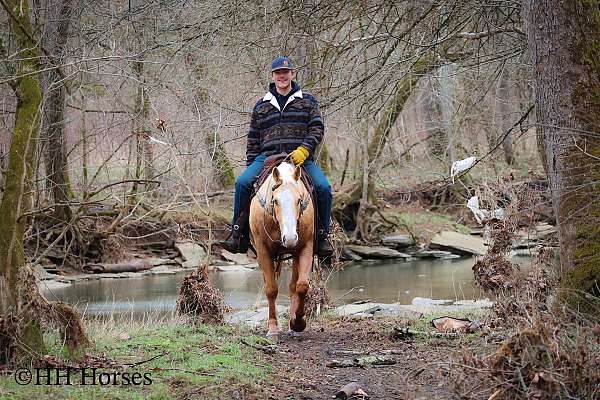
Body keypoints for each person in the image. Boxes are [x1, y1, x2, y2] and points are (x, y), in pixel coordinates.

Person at [221, 56, 333, 257]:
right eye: (278, 73)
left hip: (300, 159)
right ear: (272, 76)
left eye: (285, 72)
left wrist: (304, 150)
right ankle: (238, 234)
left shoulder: (308, 101)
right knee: (242, 183)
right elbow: (253, 139)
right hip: (267, 158)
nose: (282, 76)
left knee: (324, 187)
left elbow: (317, 128)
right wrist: (252, 165)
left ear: (292, 73)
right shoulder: (261, 106)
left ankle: (323, 236)